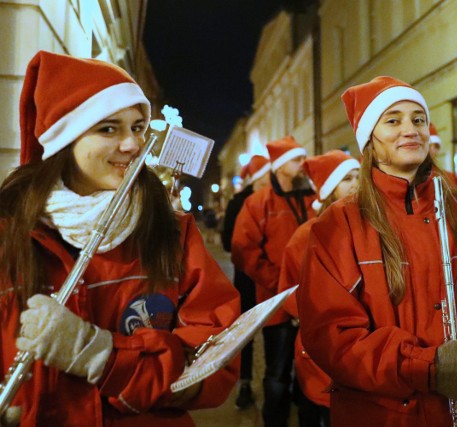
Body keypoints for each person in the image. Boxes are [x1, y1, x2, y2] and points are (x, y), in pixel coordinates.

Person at [0, 51, 240, 426]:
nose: (132, 144)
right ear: (64, 137)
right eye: (109, 129)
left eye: (139, 127)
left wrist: (104, 357)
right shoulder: (9, 234)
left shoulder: (172, 231)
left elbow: (216, 365)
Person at [296, 76, 457, 426]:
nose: (410, 129)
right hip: (388, 415)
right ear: (369, 142)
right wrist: (428, 367)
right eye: (393, 120)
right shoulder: (339, 224)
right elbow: (333, 336)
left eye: (418, 119)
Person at [232, 136, 316, 427]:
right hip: (277, 304)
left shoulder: (312, 198)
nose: (302, 165)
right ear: (280, 166)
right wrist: (280, 283)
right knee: (277, 374)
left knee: (312, 372)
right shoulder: (259, 203)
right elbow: (244, 250)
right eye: (296, 160)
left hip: (312, 302)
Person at [277, 149, 360, 427]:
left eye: (359, 175)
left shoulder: (373, 226)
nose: (357, 183)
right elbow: (289, 288)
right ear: (328, 189)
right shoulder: (308, 234)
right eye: (347, 178)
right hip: (323, 348)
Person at [221, 154, 271, 409]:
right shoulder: (239, 202)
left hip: (274, 280)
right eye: (266, 175)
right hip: (248, 278)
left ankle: (276, 384)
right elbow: (227, 241)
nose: (270, 179)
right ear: (256, 177)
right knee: (248, 332)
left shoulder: (278, 197)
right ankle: (245, 383)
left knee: (276, 331)